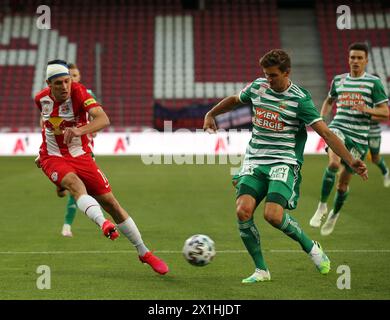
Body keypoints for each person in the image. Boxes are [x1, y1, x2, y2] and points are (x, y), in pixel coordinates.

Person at [203, 49, 368, 283]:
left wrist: (351, 160)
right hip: (255, 159)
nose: (268, 80)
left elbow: (326, 133)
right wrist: (211, 113)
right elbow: (234, 100)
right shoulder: (258, 87)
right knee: (243, 210)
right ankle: (261, 270)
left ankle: (311, 248)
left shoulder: (300, 99)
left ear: (286, 73)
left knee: (273, 215)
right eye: (266, 74)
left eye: (272, 75)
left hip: (283, 161)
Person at [34, 59, 169, 275]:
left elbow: (103, 119)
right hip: (53, 157)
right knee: (75, 186)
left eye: (67, 81)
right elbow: (48, 126)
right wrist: (41, 154)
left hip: (82, 155)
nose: (64, 87)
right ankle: (103, 224)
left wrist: (80, 130)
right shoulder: (40, 99)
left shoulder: (79, 93)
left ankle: (144, 252)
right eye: (58, 83)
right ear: (48, 84)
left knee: (112, 203)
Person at [310, 43, 389, 236]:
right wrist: (322, 121)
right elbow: (329, 100)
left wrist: (367, 109)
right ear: (348, 59)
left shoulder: (373, 83)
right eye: (352, 57)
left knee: (343, 184)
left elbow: (385, 112)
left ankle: (334, 215)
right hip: (338, 129)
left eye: (359, 58)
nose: (355, 61)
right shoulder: (339, 80)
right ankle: (321, 207)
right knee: (334, 165)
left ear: (366, 60)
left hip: (359, 139)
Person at [58, 63, 98, 237]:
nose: (73, 79)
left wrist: (93, 129)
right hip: (64, 149)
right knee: (78, 189)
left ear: (79, 77)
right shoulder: (57, 97)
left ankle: (68, 225)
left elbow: (96, 115)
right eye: (70, 76)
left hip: (84, 148)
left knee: (86, 189)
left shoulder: (86, 94)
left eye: (75, 75)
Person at [367, 74, 390, 188]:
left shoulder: (379, 99)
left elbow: (385, 117)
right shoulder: (361, 96)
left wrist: (368, 115)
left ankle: (386, 172)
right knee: (352, 156)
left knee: (375, 158)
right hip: (358, 131)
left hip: (373, 132)